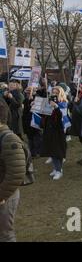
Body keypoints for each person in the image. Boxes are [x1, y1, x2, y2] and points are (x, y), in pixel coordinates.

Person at [0, 98, 26, 242]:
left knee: (5, 235)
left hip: (5, 197)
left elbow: (15, 174)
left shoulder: (8, 139)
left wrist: (1, 196)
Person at [40, 86, 71, 180]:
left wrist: (56, 107)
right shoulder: (49, 102)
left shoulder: (63, 103)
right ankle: (55, 168)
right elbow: (44, 114)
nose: (54, 94)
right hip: (49, 129)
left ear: (60, 93)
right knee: (51, 149)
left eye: (56, 92)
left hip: (59, 130)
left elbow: (61, 117)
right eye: (53, 92)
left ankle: (59, 170)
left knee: (58, 151)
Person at [22, 87, 42, 158]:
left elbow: (39, 109)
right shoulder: (26, 99)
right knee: (30, 137)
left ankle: (38, 152)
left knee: (37, 137)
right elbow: (25, 109)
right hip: (27, 120)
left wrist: (32, 101)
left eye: (29, 91)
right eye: (27, 91)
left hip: (35, 120)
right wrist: (28, 101)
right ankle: (32, 152)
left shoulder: (38, 98)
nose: (28, 93)